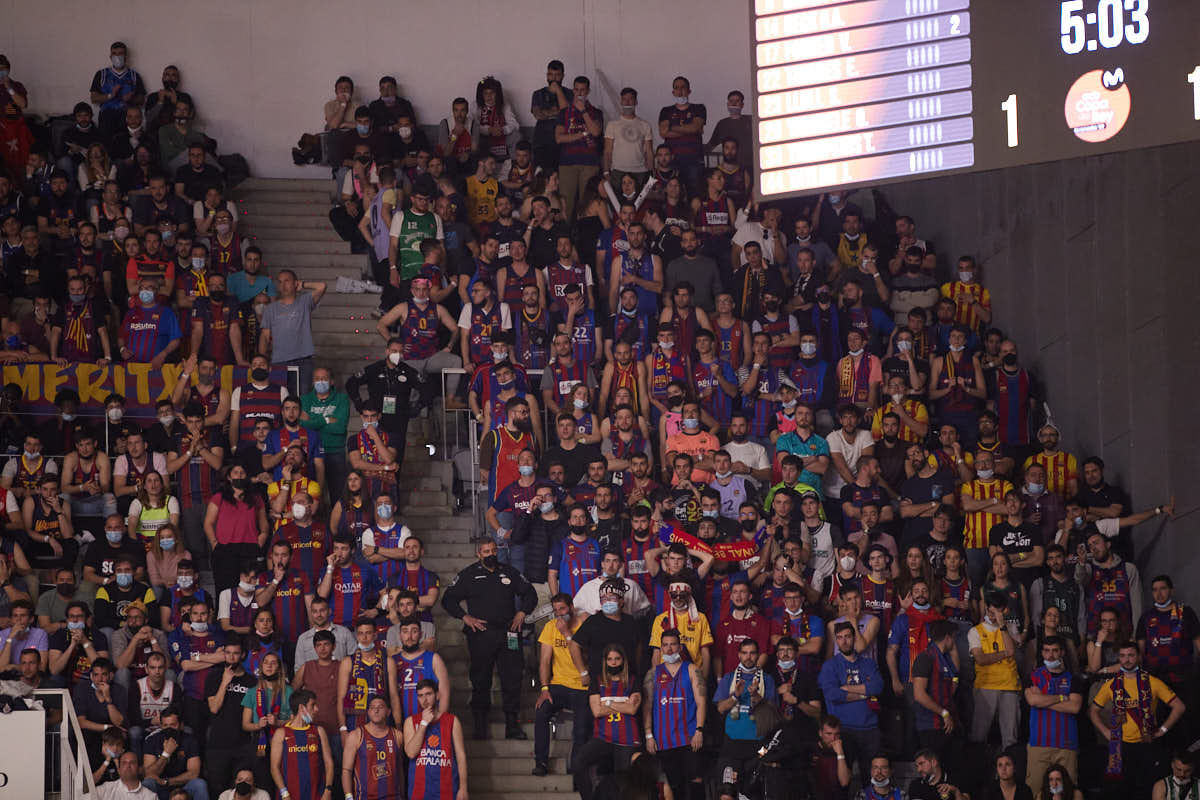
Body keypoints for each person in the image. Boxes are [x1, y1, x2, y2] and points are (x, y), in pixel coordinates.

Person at [440, 538, 536, 740]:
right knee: (480, 680)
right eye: (486, 551)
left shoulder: (509, 572)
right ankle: (480, 727)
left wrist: (522, 613)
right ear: (478, 554)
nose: (491, 554)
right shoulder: (468, 574)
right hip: (481, 634)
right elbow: (448, 599)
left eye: (493, 550)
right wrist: (465, 617)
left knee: (512, 679)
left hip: (509, 632)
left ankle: (512, 725)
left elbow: (530, 594)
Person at [1090, 641, 1186, 800]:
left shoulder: (1152, 682)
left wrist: (1163, 730)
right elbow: (1092, 711)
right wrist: (1106, 732)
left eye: (1131, 655)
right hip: (1119, 747)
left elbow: (1179, 707)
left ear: (1138, 657)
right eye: (1122, 656)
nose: (1126, 659)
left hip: (1146, 744)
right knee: (1119, 792)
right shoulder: (1112, 684)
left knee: (1145, 791)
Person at [532, 592, 590, 775]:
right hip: (558, 685)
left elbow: (586, 658)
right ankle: (541, 762)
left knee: (581, 729)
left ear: (571, 608)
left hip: (582, 686)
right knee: (541, 712)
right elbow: (544, 661)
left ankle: (577, 767)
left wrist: (566, 634)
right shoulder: (550, 627)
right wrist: (544, 688)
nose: (559, 614)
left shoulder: (583, 625)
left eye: (562, 609)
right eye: (556, 610)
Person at [818, 621, 884, 779]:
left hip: (870, 729)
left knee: (871, 778)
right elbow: (832, 694)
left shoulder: (868, 663)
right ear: (836, 640)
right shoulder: (830, 666)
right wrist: (863, 693)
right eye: (839, 637)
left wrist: (846, 688)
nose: (844, 641)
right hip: (843, 730)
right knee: (842, 780)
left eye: (847, 636)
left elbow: (877, 687)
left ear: (854, 638)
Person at [714, 638, 778, 794]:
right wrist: (735, 696)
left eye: (752, 653)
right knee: (727, 791)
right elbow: (720, 708)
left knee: (753, 792)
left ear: (758, 656)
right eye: (744, 653)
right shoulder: (729, 678)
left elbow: (774, 715)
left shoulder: (767, 679)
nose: (748, 657)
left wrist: (756, 696)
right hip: (731, 745)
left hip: (759, 746)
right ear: (738, 655)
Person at [1024, 636, 1082, 793]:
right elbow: (1033, 701)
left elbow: (1075, 707)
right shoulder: (1034, 676)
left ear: (1062, 652)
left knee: (1067, 792)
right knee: (1035, 791)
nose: (1050, 655)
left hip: (1067, 744)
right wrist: (1062, 698)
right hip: (1039, 743)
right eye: (1046, 651)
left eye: (1055, 651)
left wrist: (1044, 700)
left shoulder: (1073, 679)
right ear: (1041, 653)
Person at [969, 592, 1022, 749]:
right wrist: (1004, 653)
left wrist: (1002, 626)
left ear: (1004, 611)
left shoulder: (1010, 627)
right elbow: (981, 659)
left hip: (1009, 685)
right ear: (986, 608)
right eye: (990, 612)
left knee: (1010, 739)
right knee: (979, 736)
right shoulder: (975, 631)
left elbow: (1012, 650)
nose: (992, 616)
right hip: (986, 686)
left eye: (997, 612)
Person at [259, 270, 325, 392]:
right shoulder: (270, 309)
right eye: (280, 282)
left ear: (295, 283)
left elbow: (322, 286)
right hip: (279, 361)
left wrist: (303, 284)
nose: (283, 285)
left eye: (287, 281)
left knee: (303, 399)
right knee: (281, 398)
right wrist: (262, 359)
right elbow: (264, 336)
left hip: (303, 361)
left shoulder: (304, 302)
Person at [203, 640, 255, 792]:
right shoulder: (214, 676)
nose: (231, 658)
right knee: (218, 791)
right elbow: (214, 708)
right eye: (228, 653)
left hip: (242, 745)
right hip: (218, 745)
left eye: (236, 653)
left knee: (240, 792)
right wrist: (225, 682)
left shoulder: (251, 681)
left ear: (243, 655)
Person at [403, 679, 467, 800]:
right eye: (420, 695)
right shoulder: (410, 721)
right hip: (419, 792)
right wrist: (423, 724)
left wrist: (463, 788)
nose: (425, 700)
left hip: (447, 790)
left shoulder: (452, 721)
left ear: (437, 695)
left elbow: (461, 756)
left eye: (428, 694)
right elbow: (411, 753)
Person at [270, 691, 335, 800]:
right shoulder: (281, 733)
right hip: (289, 796)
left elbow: (329, 763)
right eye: (313, 705)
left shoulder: (319, 731)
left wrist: (328, 790)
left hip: (317, 795)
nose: (316, 709)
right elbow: (274, 768)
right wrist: (284, 793)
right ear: (301, 707)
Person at [341, 695, 402, 800]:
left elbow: (400, 770)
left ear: (388, 712)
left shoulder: (398, 735)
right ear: (368, 712)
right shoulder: (356, 736)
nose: (376, 710)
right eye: (372, 707)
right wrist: (348, 796)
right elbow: (346, 770)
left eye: (380, 707)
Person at [141, 705, 207, 800]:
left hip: (183, 788)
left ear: (181, 725)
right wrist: (166, 754)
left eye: (173, 725)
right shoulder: (152, 740)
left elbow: (194, 773)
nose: (169, 729)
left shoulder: (190, 740)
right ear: (160, 725)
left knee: (200, 784)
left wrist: (167, 781)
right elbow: (149, 774)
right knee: (147, 783)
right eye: (165, 725)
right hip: (160, 788)